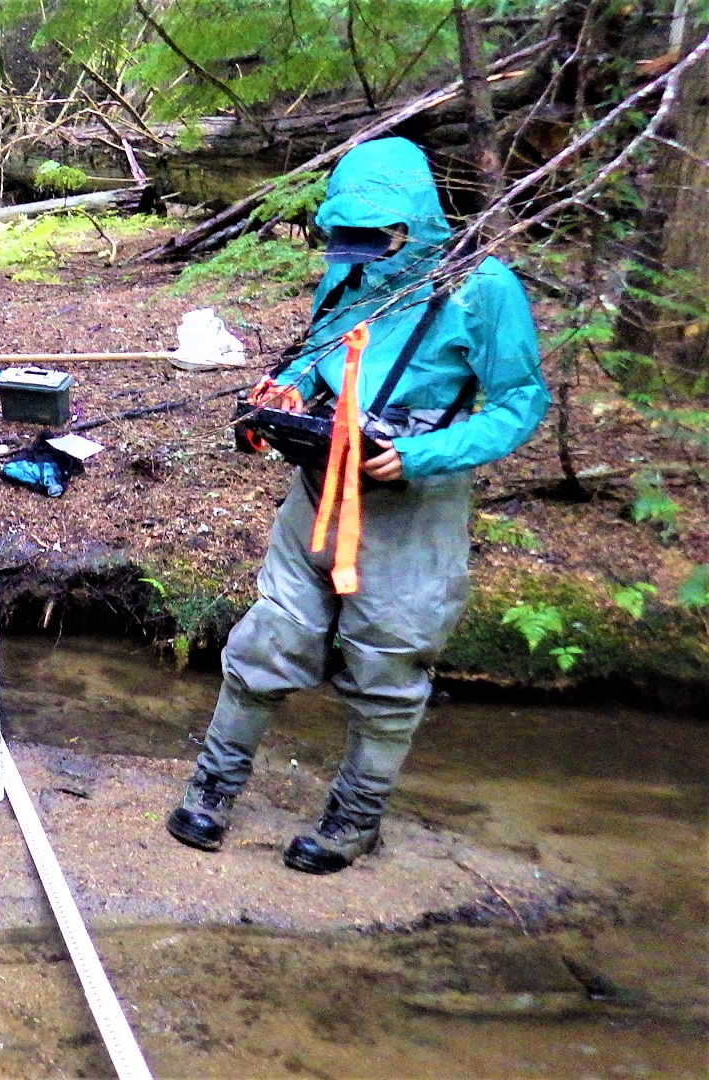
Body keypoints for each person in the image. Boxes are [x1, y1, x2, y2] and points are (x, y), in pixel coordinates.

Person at [166, 137, 550, 873]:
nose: (358, 252)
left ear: (415, 222)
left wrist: (420, 454)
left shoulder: (482, 287)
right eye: (345, 237)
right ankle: (213, 790)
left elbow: (519, 405)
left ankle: (353, 821)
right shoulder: (349, 272)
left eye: (374, 237)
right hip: (318, 492)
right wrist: (290, 394)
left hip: (413, 508)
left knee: (387, 667)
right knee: (267, 642)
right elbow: (320, 353)